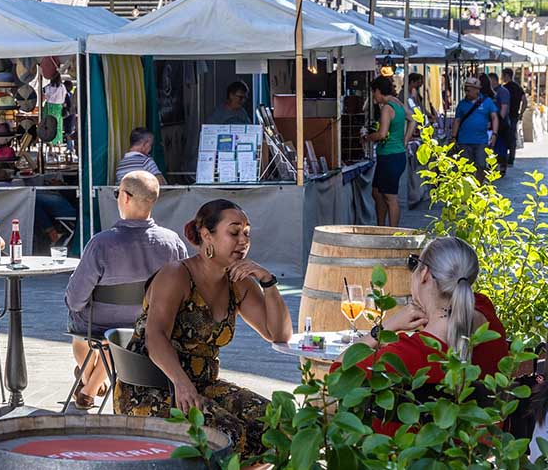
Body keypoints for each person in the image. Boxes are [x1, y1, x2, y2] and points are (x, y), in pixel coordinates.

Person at [115, 199, 293, 458]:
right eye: (234, 232)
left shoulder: (238, 281)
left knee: (277, 422)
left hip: (202, 385)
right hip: (153, 386)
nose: (243, 240)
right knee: (228, 433)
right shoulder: (176, 275)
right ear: (206, 235)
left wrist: (268, 282)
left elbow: (278, 334)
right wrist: (182, 383)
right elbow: (156, 336)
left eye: (246, 233)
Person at [331, 237, 483, 436]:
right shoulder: (487, 333)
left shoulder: (406, 354)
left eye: (415, 265)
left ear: (425, 275)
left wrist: (385, 327)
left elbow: (336, 377)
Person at [64, 171, 187, 409]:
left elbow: (76, 299)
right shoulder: (173, 243)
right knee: (118, 334)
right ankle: (91, 385)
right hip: (153, 324)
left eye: (117, 193)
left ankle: (89, 383)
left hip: (99, 325)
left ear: (126, 198)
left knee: (79, 322)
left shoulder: (101, 243)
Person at [364, 75, 411, 227]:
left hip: (390, 156)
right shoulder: (398, 103)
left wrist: (367, 137)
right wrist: (405, 139)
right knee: (377, 192)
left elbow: (382, 134)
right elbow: (414, 119)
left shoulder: (386, 108)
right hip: (393, 155)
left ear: (378, 91)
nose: (373, 96)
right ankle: (381, 226)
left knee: (390, 197)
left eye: (373, 93)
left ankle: (392, 232)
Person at [451, 77, 498, 182]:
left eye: (469, 90)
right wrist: (453, 137)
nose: (466, 92)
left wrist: (494, 134)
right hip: (464, 141)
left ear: (477, 89)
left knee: (481, 165)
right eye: (465, 89)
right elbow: (457, 120)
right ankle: (469, 188)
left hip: (481, 141)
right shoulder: (462, 104)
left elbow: (494, 117)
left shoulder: (487, 102)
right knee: (466, 167)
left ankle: (478, 186)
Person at [502, 67, 526, 167]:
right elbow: (525, 101)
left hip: (505, 115)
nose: (502, 77)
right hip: (514, 115)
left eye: (503, 75)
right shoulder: (518, 88)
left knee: (504, 136)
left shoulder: (504, 88)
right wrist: (521, 113)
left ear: (507, 75)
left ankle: (503, 157)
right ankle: (511, 158)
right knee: (512, 137)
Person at [489, 72, 512, 175]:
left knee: (501, 146)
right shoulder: (491, 92)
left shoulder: (502, 91)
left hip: (501, 124)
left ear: (493, 80)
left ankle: (502, 166)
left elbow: (504, 107)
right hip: (493, 123)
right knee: (494, 146)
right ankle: (494, 166)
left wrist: (499, 122)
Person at [43, 73, 66, 144]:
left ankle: (50, 143)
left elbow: (44, 97)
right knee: (58, 125)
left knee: (49, 125)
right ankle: (58, 143)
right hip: (59, 107)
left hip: (49, 106)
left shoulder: (48, 87)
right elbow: (64, 97)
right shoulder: (62, 87)